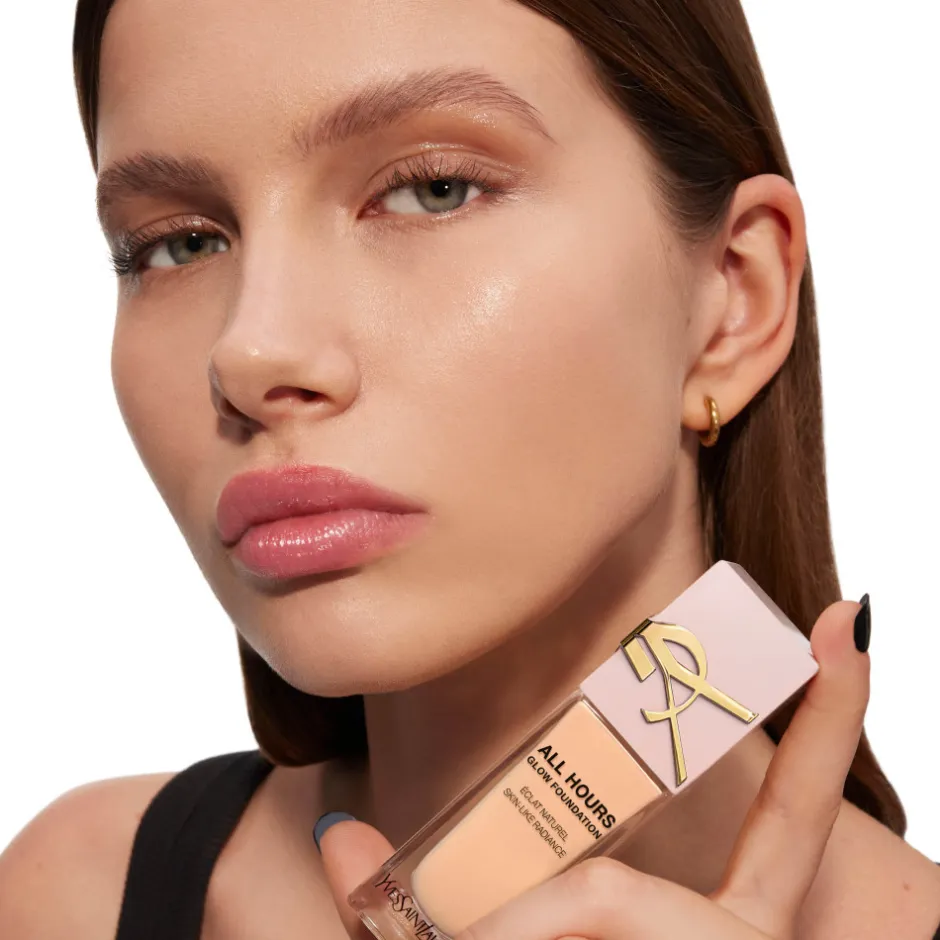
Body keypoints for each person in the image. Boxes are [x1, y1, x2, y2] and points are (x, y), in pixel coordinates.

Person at [2, 0, 939, 937]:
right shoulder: (71, 898)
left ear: (734, 300)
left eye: (433, 190)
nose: (249, 352)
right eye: (180, 244)